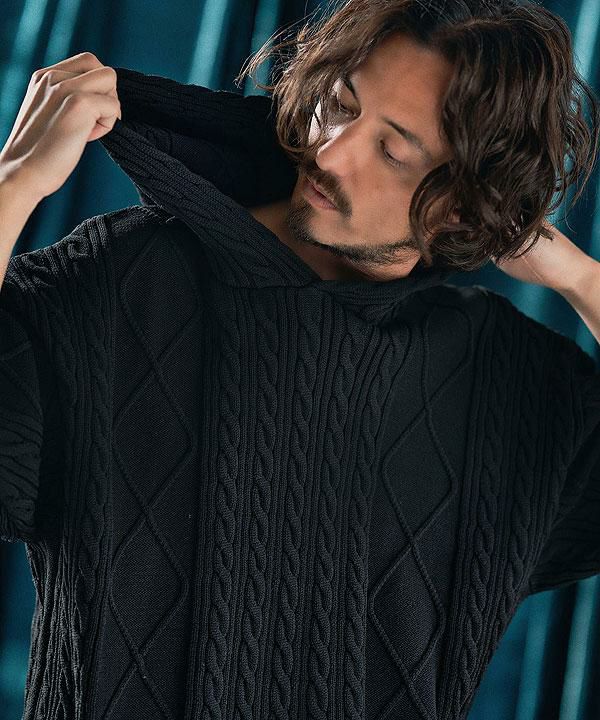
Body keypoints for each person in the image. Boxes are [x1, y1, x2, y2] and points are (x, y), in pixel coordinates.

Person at [0, 0, 599, 718]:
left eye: (392, 151)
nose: (330, 152)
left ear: (464, 208)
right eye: (339, 106)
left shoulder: (508, 380)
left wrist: (582, 279)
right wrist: (15, 182)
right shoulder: (118, 280)